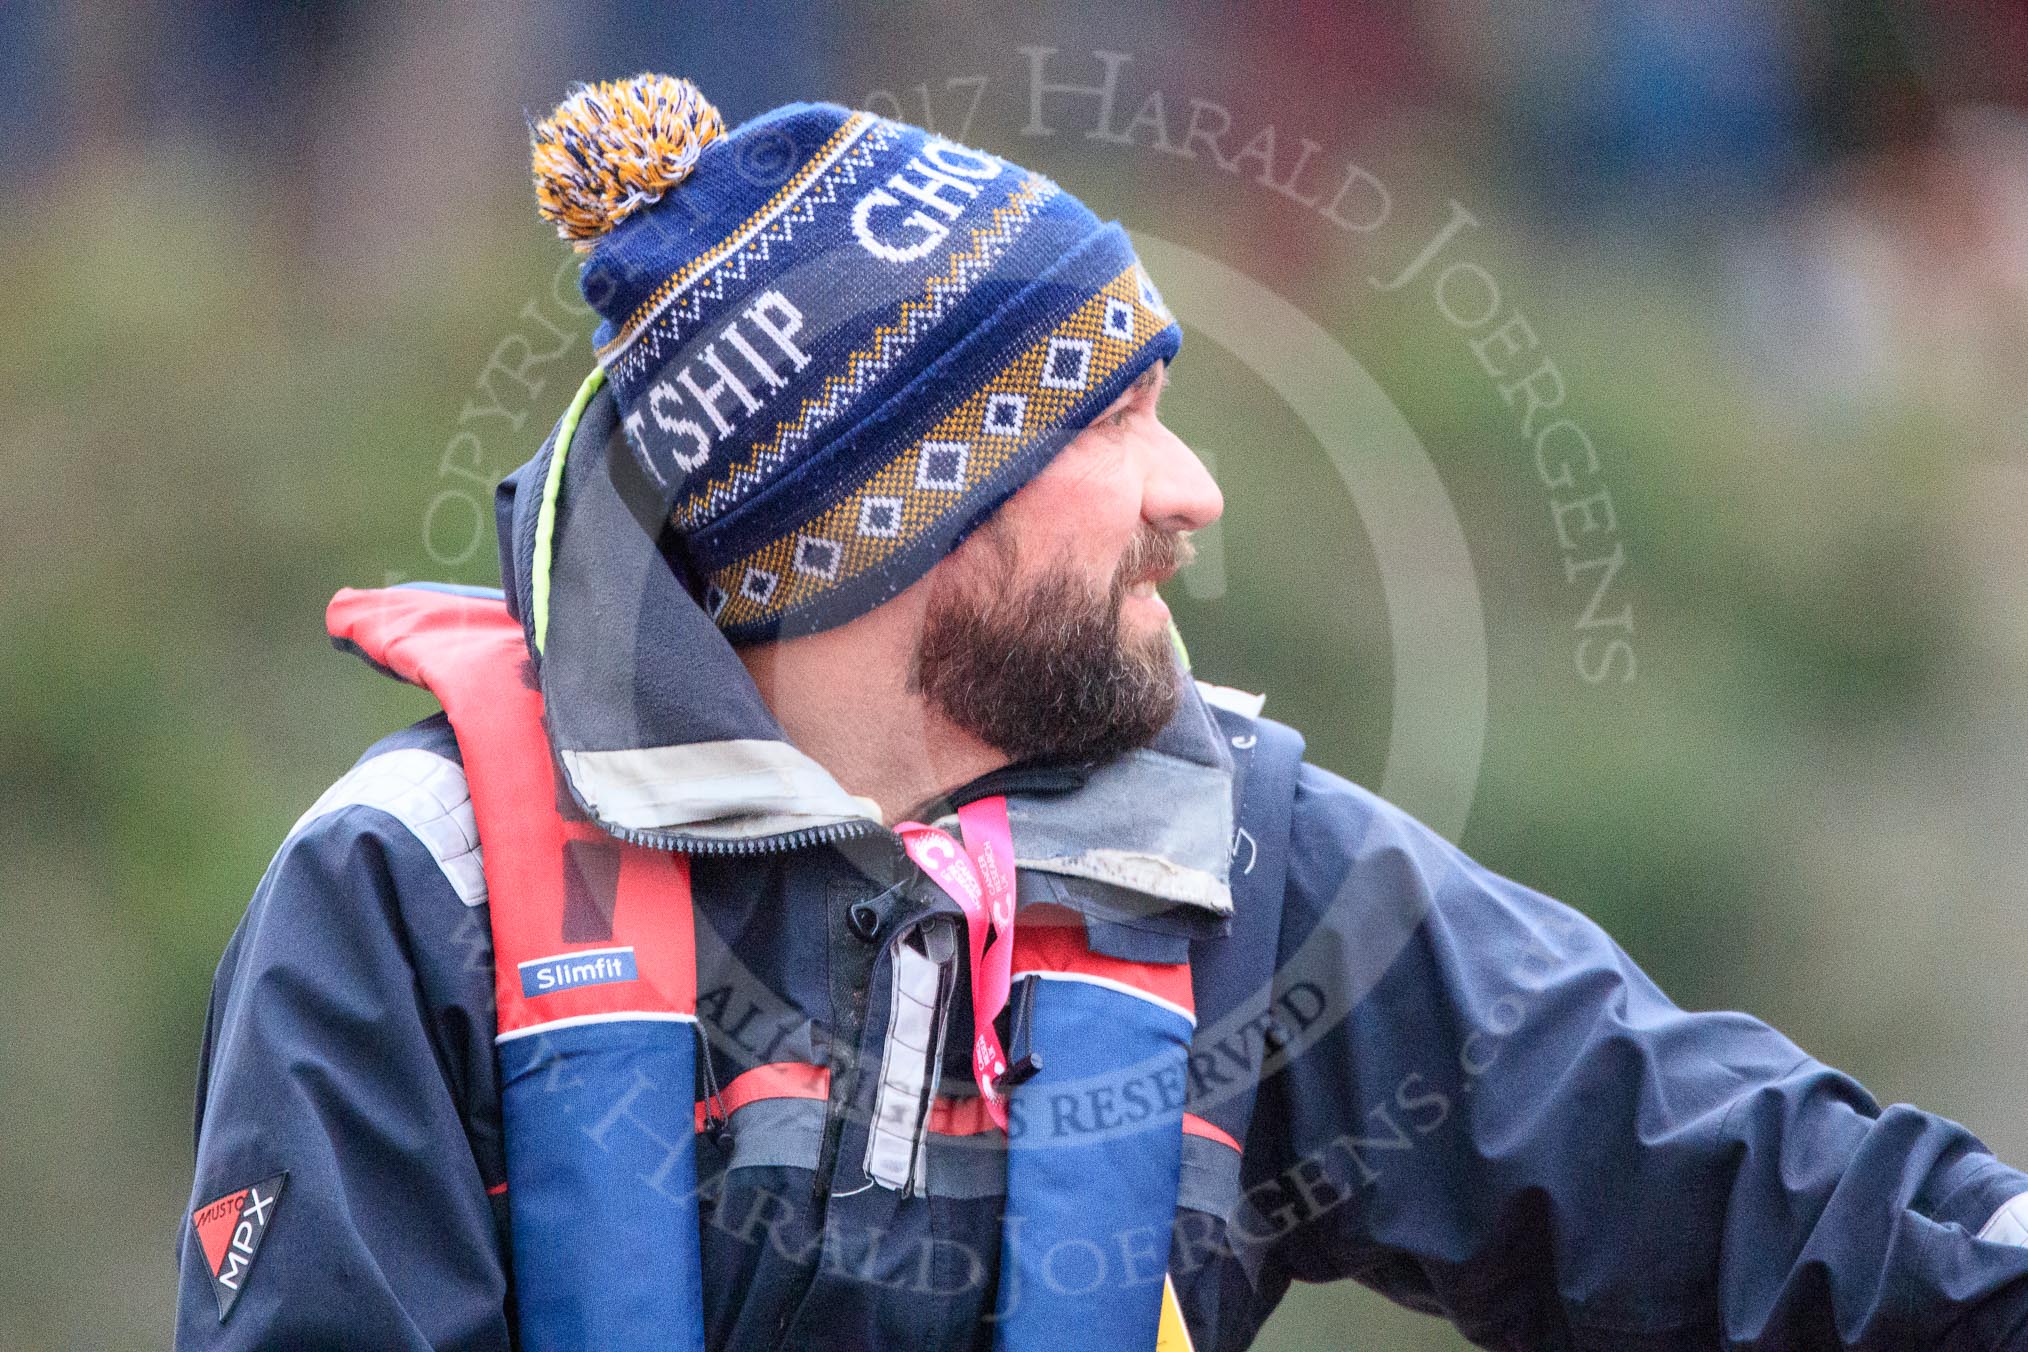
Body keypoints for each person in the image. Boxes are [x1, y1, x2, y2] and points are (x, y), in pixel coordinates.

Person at [175, 74, 2028, 1352]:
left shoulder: (1238, 865)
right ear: (885, 518)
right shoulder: (410, 901)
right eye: (1110, 422)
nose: (1193, 492)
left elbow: (1772, 1207)